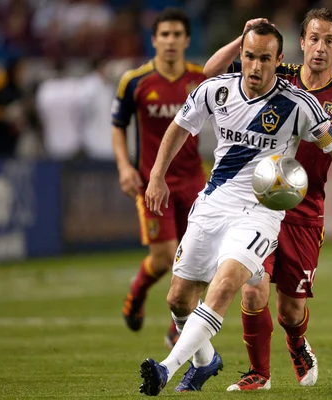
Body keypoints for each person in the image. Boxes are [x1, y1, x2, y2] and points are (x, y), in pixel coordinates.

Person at [139, 21, 332, 396]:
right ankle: (228, 367)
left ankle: (171, 368)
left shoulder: (318, 103)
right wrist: (157, 176)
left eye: (328, 41)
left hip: (279, 208)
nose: (255, 66)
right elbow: (198, 92)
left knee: (268, 302)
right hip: (217, 203)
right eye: (313, 39)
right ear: (301, 44)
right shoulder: (230, 84)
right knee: (188, 298)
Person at [111, 8, 206, 347]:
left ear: (187, 40)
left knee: (200, 258)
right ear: (154, 40)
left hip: (195, 181)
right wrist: (124, 167)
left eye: (177, 35)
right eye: (164, 34)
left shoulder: (201, 78)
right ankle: (137, 293)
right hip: (154, 183)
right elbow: (118, 126)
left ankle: (177, 323)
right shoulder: (135, 81)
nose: (170, 41)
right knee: (166, 258)